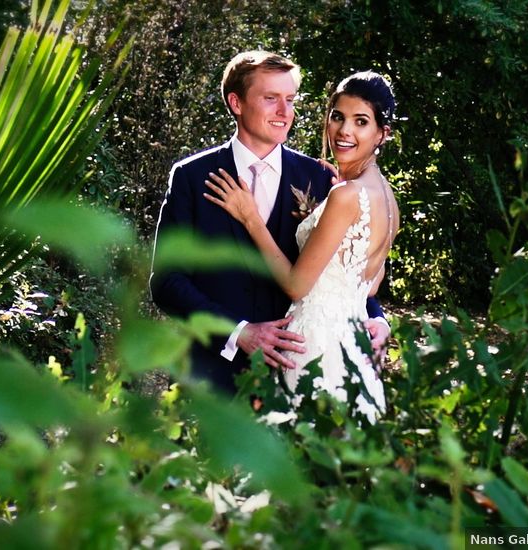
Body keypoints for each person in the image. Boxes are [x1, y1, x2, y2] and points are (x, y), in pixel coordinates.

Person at [149, 52, 389, 394]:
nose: (284, 112)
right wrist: (238, 331)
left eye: (290, 100)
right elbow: (167, 281)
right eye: (270, 98)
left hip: (297, 372)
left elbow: (339, 268)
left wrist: (377, 317)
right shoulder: (192, 177)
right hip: (209, 376)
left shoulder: (320, 179)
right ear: (237, 102)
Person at [203, 71, 399, 422]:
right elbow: (367, 283)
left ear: (382, 133)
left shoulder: (345, 195)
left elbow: (296, 284)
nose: (344, 131)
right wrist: (380, 322)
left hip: (312, 347)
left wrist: (251, 219)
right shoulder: (385, 197)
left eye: (361, 122)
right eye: (338, 116)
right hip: (352, 349)